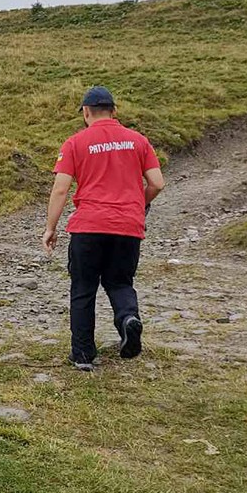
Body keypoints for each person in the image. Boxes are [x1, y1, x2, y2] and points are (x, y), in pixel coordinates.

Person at [41, 86, 165, 371]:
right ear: (115, 111)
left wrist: (51, 227)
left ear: (86, 112)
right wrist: (137, 204)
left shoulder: (75, 142)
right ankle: (127, 320)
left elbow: (61, 189)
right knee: (120, 282)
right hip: (128, 227)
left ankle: (83, 355)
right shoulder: (138, 140)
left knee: (83, 288)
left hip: (89, 227)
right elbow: (157, 183)